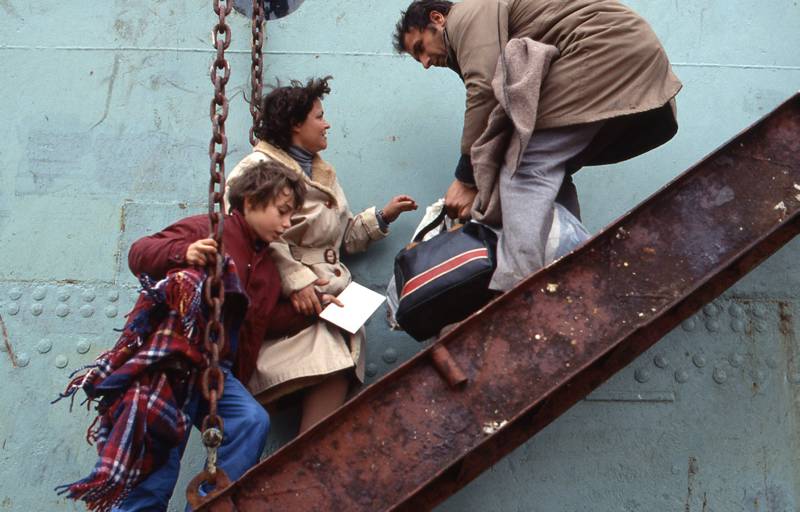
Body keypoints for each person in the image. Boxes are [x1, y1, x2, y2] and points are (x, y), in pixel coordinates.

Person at [393, 0, 682, 291]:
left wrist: (465, 178)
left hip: (602, 50)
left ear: (437, 19)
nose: (426, 63)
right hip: (621, 53)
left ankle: (519, 290)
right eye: (418, 59)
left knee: (524, 167)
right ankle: (570, 269)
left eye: (420, 48)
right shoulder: (475, 27)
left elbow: (483, 88)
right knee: (548, 168)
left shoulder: (467, 14)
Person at [227, 76, 418, 434]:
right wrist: (297, 284)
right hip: (296, 297)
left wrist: (381, 218)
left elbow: (338, 238)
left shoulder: (321, 171)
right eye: (319, 116)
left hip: (330, 290)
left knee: (338, 367)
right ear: (296, 124)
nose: (327, 123)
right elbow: (251, 232)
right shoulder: (256, 169)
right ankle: (299, 457)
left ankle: (308, 453)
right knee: (321, 363)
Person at [115, 161, 307, 511]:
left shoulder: (268, 270)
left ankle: (209, 505)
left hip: (219, 373)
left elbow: (263, 322)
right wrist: (182, 252)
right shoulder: (207, 230)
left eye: (291, 216)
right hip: (178, 364)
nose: (286, 224)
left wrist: (313, 307)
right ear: (249, 202)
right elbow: (139, 253)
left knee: (250, 420)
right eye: (282, 212)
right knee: (158, 465)